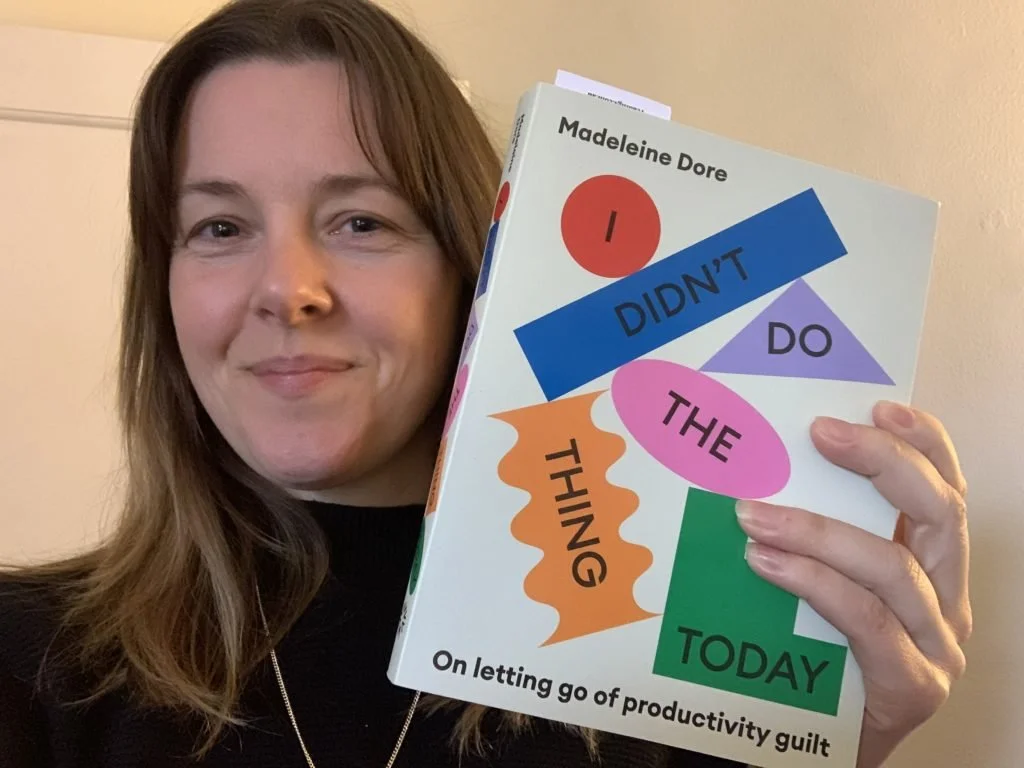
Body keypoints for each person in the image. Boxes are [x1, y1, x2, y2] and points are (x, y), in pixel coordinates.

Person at [0, 0, 972, 766]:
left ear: (472, 267)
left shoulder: (651, 665)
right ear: (163, 292)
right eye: (218, 227)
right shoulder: (25, 664)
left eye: (361, 221)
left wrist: (843, 742)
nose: (288, 290)